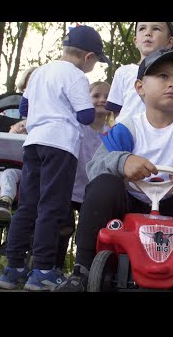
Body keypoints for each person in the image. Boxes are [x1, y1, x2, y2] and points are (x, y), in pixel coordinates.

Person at [56, 48, 173, 292]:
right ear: (140, 87)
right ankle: (82, 271)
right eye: (162, 77)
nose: (172, 84)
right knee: (103, 185)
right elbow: (94, 167)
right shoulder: (125, 129)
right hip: (131, 202)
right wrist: (123, 161)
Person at [0, 25, 111, 291]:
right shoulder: (75, 76)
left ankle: (13, 269)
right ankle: (44, 270)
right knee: (52, 207)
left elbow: (24, 107)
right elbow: (85, 116)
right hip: (60, 145)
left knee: (27, 205)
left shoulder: (39, 73)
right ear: (88, 57)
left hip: (34, 143)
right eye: (96, 61)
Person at [56, 81, 113, 272]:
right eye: (97, 95)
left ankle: (88, 270)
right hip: (70, 187)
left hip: (93, 191)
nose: (102, 100)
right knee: (63, 228)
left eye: (106, 96)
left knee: (90, 231)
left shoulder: (112, 134)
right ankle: (53, 267)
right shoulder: (77, 126)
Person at [106, 22, 173, 123]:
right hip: (129, 136)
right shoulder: (122, 72)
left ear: (169, 41)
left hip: (162, 136)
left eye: (156, 29)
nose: (148, 33)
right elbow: (117, 109)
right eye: (142, 29)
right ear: (135, 41)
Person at [0, 67, 38, 218]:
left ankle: (5, 201)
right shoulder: (8, 112)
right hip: (0, 159)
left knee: (9, 174)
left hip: (23, 163)